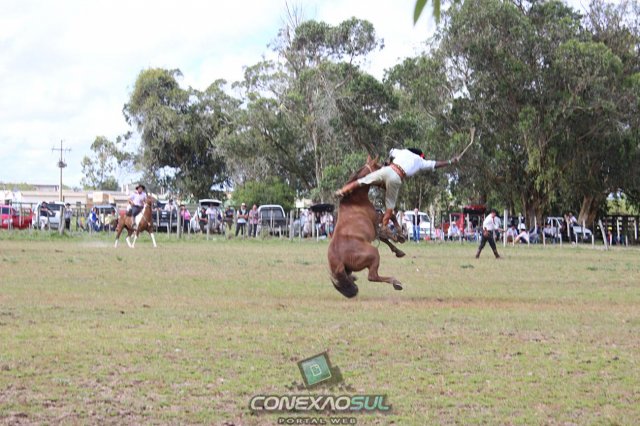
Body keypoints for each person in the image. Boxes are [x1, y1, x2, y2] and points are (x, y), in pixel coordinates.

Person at [335, 147, 458, 241]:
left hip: (387, 169)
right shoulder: (421, 161)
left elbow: (391, 151)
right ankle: (384, 227)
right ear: (420, 155)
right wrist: (450, 161)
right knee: (390, 206)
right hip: (396, 177)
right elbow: (436, 164)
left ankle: (342, 191)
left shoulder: (403, 151)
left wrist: (387, 163)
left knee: (362, 180)